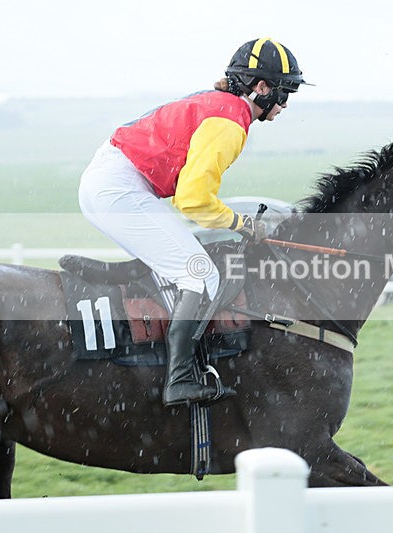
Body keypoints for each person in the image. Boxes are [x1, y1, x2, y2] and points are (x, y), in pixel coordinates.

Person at [78, 38, 308, 406]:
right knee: (201, 274)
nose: (284, 104)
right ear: (260, 87)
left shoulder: (221, 106)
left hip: (115, 182)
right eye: (284, 92)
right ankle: (180, 379)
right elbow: (193, 201)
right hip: (119, 188)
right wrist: (243, 225)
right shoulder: (230, 123)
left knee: (187, 266)